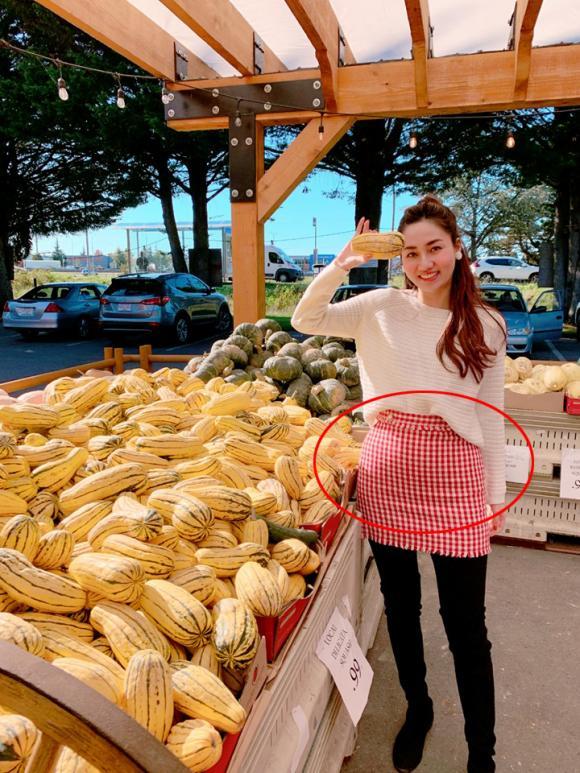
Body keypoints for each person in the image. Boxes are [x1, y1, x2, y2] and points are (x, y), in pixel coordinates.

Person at [290, 195, 507, 773]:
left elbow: (492, 414)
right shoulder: (380, 305)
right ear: (400, 259)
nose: (423, 263)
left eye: (434, 248)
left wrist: (495, 496)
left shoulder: (486, 323)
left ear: (457, 248)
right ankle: (419, 708)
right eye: (411, 253)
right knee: (401, 607)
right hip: (389, 466)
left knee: (467, 627)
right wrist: (341, 264)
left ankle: (481, 754)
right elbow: (306, 319)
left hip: (456, 470)